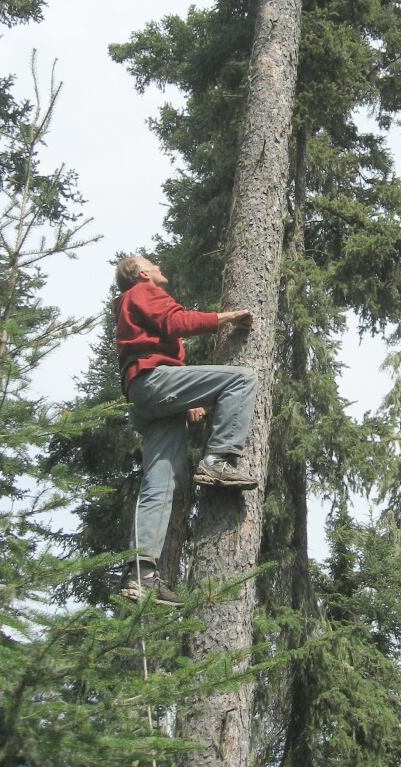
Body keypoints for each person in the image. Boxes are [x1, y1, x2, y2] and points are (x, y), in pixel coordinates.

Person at [113, 254, 258, 605]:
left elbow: (162, 340)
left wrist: (187, 402)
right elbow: (177, 322)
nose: (160, 267)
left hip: (148, 395)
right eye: (153, 263)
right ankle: (219, 460)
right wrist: (226, 318)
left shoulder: (132, 302)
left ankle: (141, 575)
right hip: (152, 381)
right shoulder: (143, 291)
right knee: (242, 379)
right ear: (143, 273)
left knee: (159, 483)